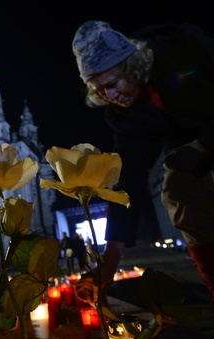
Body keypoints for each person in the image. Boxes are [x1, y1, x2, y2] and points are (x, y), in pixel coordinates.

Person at [72, 20, 214, 306]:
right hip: (191, 147)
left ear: (130, 67)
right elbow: (128, 182)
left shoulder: (179, 54)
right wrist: (108, 265)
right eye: (99, 91)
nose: (110, 97)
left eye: (112, 84)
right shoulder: (124, 115)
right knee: (178, 191)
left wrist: (203, 146)